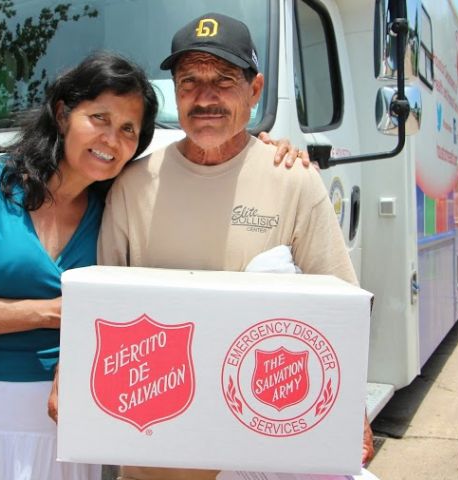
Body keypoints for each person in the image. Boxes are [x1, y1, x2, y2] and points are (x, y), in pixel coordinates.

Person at [96, 12, 374, 480]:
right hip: (154, 451)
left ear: (256, 90)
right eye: (189, 82)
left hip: (257, 451)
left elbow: (341, 309)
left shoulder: (293, 180)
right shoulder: (133, 184)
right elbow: (103, 312)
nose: (205, 97)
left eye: (224, 80)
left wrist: (351, 408)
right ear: (175, 91)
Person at [0, 52, 159, 480]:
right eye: (99, 117)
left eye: (128, 129)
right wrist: (53, 312)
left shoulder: (119, 206)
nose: (111, 139)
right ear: (63, 114)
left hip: (66, 421)